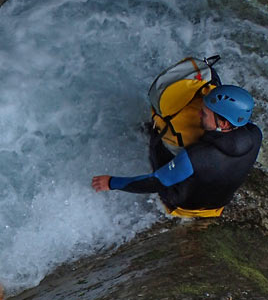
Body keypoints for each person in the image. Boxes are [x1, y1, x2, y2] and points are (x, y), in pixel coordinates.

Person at [92, 85, 262, 217]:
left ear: (224, 123)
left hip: (182, 206)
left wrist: (111, 182)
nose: (198, 114)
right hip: (217, 205)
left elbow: (156, 181)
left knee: (156, 136)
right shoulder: (255, 135)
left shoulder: (196, 156)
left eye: (204, 113)